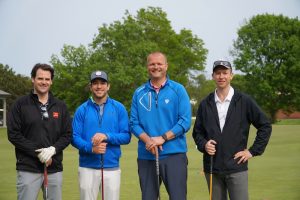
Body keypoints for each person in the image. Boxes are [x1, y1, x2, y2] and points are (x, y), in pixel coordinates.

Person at [192, 60, 272, 200]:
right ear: (213, 76)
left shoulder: (244, 101)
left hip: (237, 167)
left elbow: (265, 125)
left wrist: (252, 151)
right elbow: (197, 132)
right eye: (218, 73)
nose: (221, 76)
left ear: (231, 76)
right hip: (212, 168)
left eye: (225, 73)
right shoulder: (205, 103)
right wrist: (204, 144)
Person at [130, 52, 191, 200]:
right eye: (152, 64)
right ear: (147, 67)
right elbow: (134, 123)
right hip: (147, 156)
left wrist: (162, 138)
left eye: (159, 64)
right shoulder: (139, 93)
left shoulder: (178, 90)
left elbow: (185, 121)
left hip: (174, 155)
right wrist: (149, 141)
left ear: (166, 66)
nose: (155, 67)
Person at [7, 63, 72, 200]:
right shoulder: (20, 104)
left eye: (47, 79)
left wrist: (53, 150)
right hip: (28, 168)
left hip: (54, 168)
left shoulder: (60, 106)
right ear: (33, 79)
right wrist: (39, 152)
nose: (44, 82)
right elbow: (14, 134)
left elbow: (67, 135)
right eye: (40, 78)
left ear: (51, 81)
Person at [72, 70, 131, 200]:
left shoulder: (119, 108)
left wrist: (106, 136)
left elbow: (126, 136)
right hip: (87, 167)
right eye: (95, 83)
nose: (99, 86)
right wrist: (91, 148)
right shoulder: (82, 110)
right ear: (90, 86)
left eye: (102, 83)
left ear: (108, 86)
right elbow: (74, 137)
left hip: (111, 168)